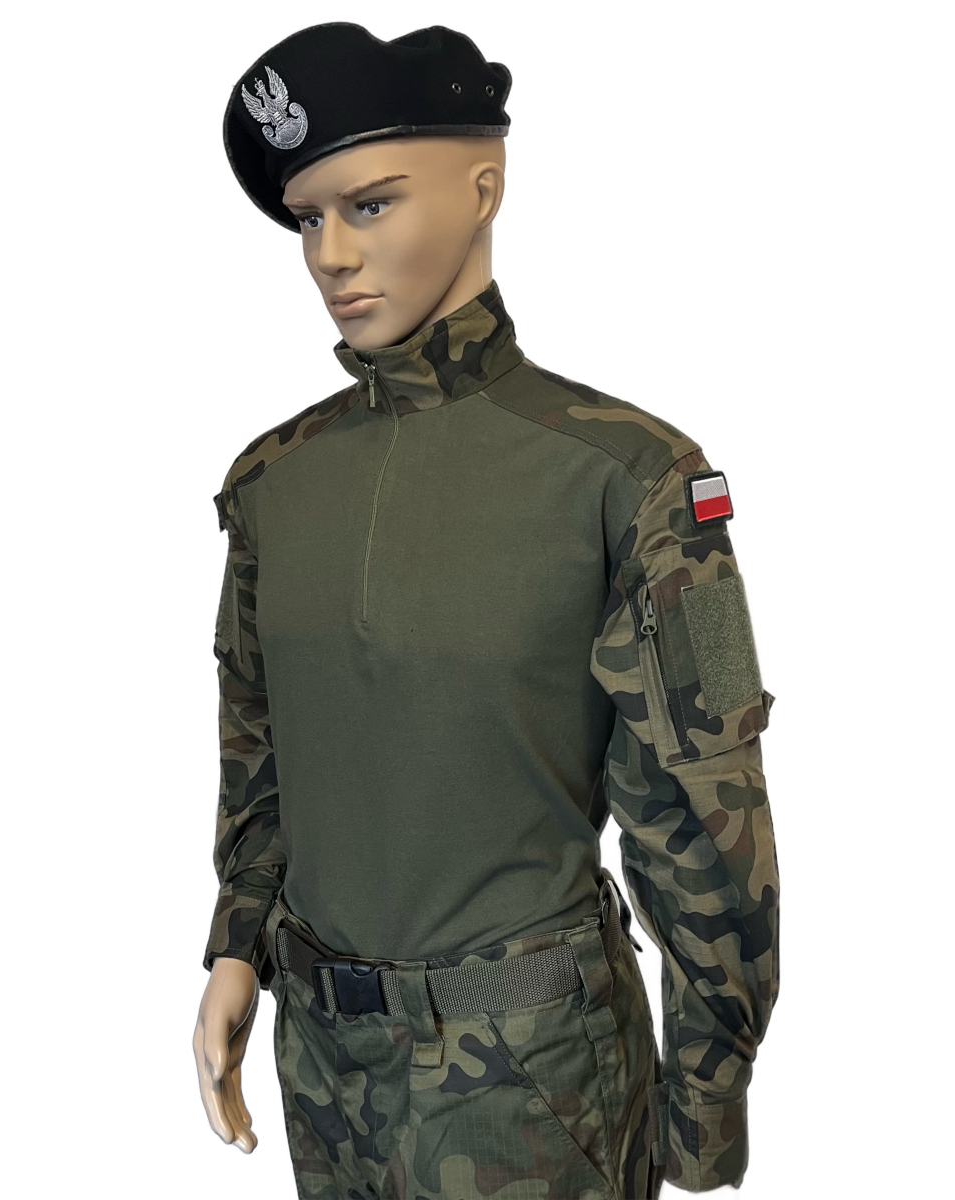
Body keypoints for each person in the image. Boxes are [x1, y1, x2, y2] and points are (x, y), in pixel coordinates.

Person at [191, 23, 780, 1197]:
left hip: (537, 1089)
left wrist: (706, 1100)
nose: (331, 255)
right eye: (308, 220)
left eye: (370, 204)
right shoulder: (271, 483)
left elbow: (707, 813)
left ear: (482, 187)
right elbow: (261, 755)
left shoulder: (634, 478)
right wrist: (235, 951)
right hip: (324, 1068)